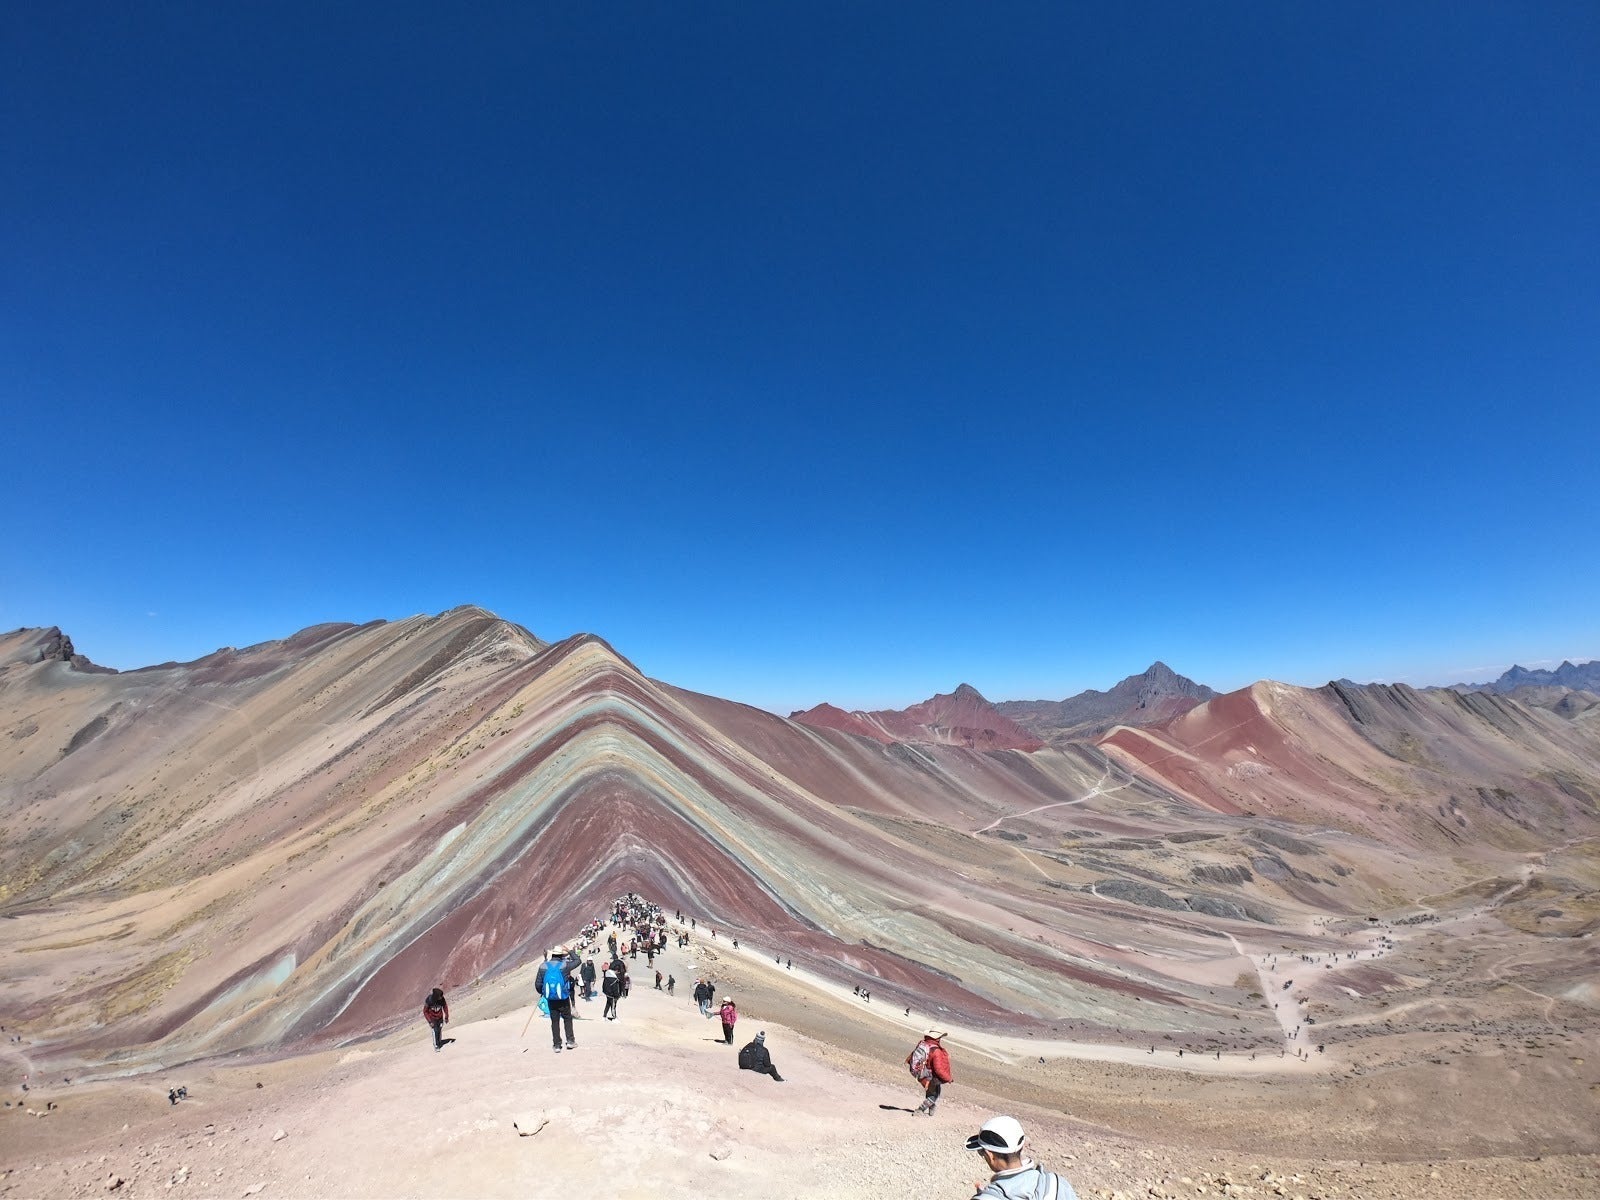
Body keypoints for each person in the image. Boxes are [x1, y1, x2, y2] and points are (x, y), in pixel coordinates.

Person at [964, 1115, 1078, 1199]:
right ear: (1022, 1146)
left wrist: (985, 1196)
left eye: (982, 1153)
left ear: (991, 1156)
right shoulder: (1057, 1184)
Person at [907, 1028, 953, 1114]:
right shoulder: (936, 1051)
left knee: (930, 1091)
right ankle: (920, 1110)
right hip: (929, 1075)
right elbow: (938, 1069)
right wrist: (948, 1078)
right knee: (935, 1094)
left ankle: (931, 1107)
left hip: (919, 1073)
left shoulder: (922, 1044)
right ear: (938, 1038)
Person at [540, 948, 577, 1051]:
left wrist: (543, 992)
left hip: (551, 999)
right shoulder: (565, 966)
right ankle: (570, 1041)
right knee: (567, 1019)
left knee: (555, 1021)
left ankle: (557, 1045)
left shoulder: (543, 966)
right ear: (561, 955)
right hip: (563, 997)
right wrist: (570, 951)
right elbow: (578, 961)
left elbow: (538, 983)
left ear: (552, 955)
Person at [422, 987, 449, 1051]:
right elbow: (425, 1011)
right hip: (432, 1019)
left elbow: (445, 1007)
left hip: (440, 1017)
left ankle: (439, 1042)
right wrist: (430, 1021)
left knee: (439, 1029)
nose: (441, 997)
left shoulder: (442, 999)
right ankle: (436, 1045)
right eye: (440, 996)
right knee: (435, 1031)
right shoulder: (429, 1000)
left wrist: (446, 1017)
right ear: (436, 996)